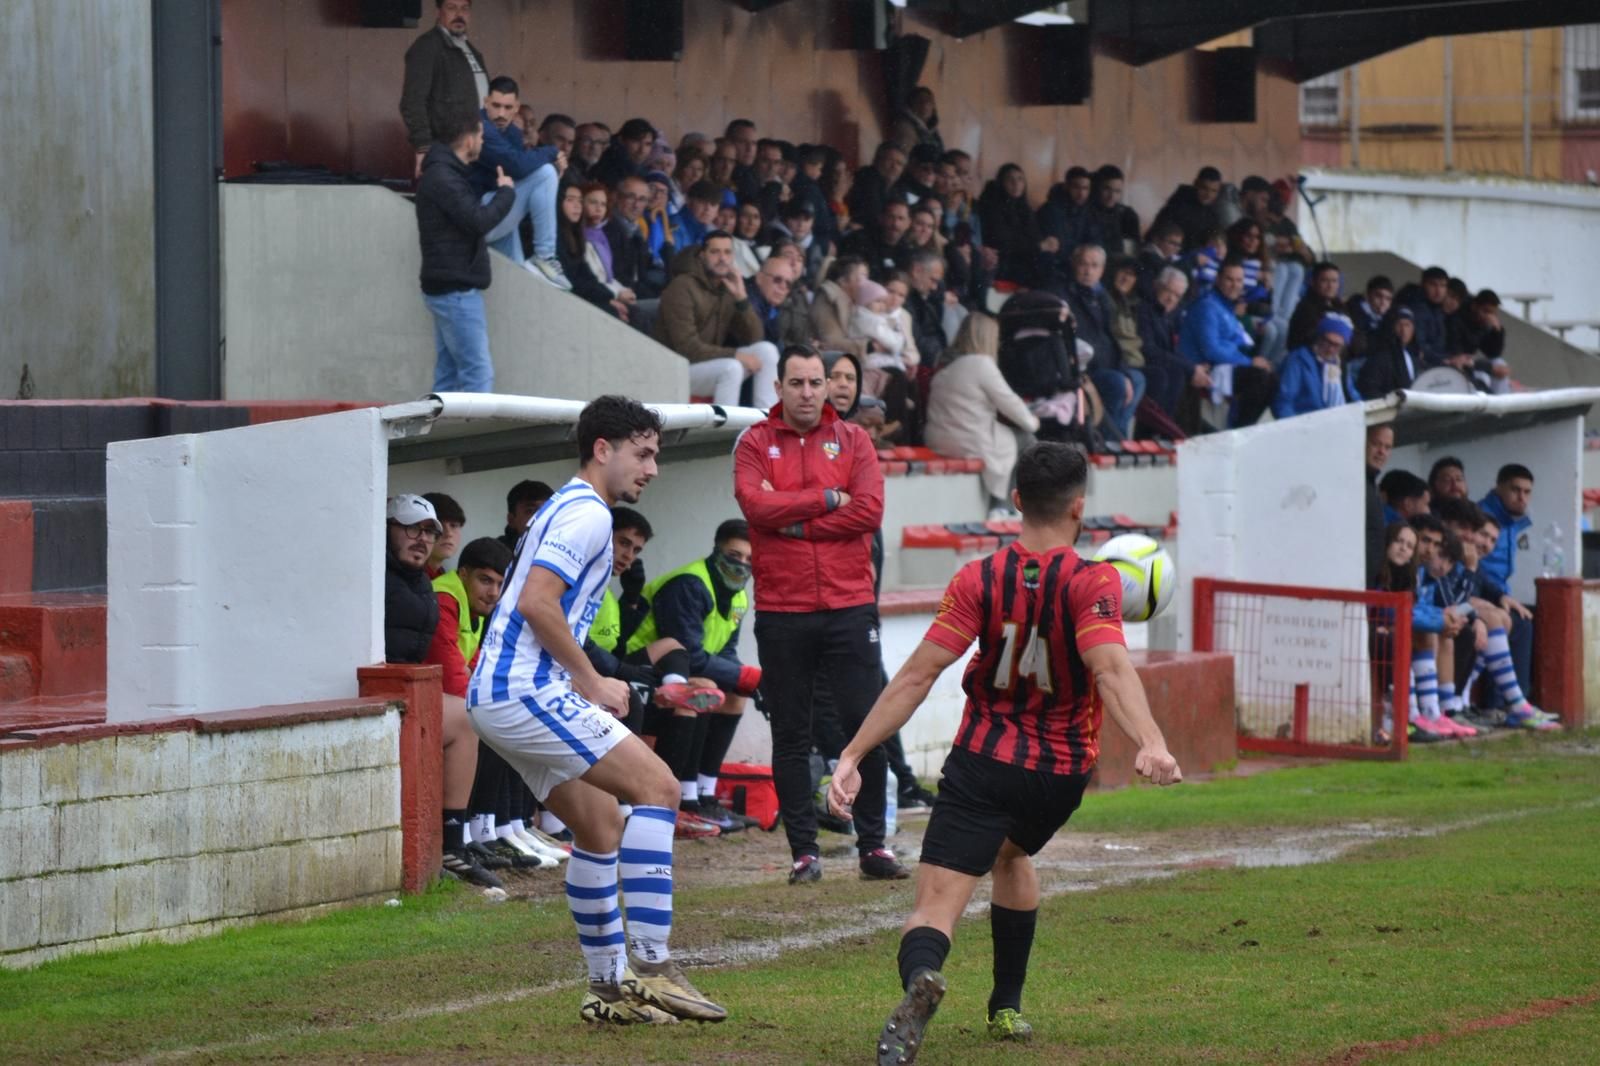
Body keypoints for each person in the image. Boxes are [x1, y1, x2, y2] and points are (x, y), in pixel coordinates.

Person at [827, 441, 1182, 1062]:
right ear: (1079, 507)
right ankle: (1007, 1006)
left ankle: (921, 981)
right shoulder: (1093, 581)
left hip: (983, 764)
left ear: (1015, 501)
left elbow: (917, 675)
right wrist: (1151, 742)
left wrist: (854, 753)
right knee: (1012, 856)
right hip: (1059, 773)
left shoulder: (977, 578)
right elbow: (1111, 670)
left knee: (936, 904)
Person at [466, 395, 727, 1026]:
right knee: (660, 788)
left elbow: (538, 604)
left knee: (602, 827)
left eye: (657, 455)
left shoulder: (569, 506)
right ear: (602, 449)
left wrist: (610, 679)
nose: (653, 468)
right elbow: (535, 602)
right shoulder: (588, 515)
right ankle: (655, 966)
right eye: (643, 453)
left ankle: (608, 990)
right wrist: (589, 681)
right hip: (524, 690)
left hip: (500, 695)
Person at [733, 344, 905, 884]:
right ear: (779, 388)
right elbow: (754, 508)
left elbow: (869, 510)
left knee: (867, 727)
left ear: (827, 388)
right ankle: (803, 851)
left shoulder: (853, 440)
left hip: (849, 606)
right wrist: (829, 500)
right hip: (783, 610)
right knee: (791, 732)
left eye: (816, 383)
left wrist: (794, 518)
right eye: (798, 383)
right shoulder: (755, 442)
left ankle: (873, 847)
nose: (808, 393)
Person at [384, 495, 497, 888]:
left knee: (487, 715)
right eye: (411, 528)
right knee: (471, 719)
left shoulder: (419, 581)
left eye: (429, 531)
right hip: (378, 693)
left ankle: (473, 835)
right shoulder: (380, 575)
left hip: (409, 693)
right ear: (387, 528)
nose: (422, 538)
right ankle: (456, 841)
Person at [624, 520, 764, 832]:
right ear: (716, 550)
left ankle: (705, 794)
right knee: (705, 687)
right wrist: (752, 676)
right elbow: (690, 653)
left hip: (684, 673)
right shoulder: (689, 583)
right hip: (642, 668)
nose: (741, 565)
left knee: (735, 696)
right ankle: (683, 801)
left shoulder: (738, 594)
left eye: (749, 560)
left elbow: (725, 652)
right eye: (734, 554)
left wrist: (749, 683)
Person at [415, 107, 513, 394]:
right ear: (469, 140)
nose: (483, 142)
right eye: (481, 135)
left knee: (448, 377)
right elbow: (477, 220)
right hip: (455, 291)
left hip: (448, 288)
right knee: (477, 374)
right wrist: (506, 192)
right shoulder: (444, 178)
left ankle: (436, 436)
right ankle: (472, 437)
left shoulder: (442, 174)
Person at [925, 313, 1041, 520]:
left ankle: (1002, 504)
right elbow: (1010, 403)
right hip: (968, 439)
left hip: (938, 440)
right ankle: (1003, 504)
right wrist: (1032, 421)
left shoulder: (945, 366)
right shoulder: (981, 363)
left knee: (1009, 438)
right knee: (1027, 439)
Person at [654, 231, 781, 408]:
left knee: (767, 350)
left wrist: (741, 298)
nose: (722, 258)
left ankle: (767, 426)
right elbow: (687, 348)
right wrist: (735, 355)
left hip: (708, 365)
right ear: (702, 255)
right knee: (732, 368)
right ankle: (724, 433)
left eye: (727, 252)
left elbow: (755, 337)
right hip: (676, 370)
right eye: (715, 252)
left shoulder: (727, 288)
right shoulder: (682, 286)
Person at [470, 77, 571, 289]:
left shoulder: (513, 133)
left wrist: (551, 161)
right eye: (496, 105)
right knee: (545, 172)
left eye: (508, 107)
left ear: (516, 108)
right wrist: (552, 152)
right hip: (474, 215)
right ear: (486, 102)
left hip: (497, 210)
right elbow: (516, 165)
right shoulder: (481, 127)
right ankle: (544, 255)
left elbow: (520, 168)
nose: (501, 114)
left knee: (517, 286)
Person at [1177, 257, 1277, 429]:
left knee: (1271, 377)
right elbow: (1211, 350)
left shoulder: (1226, 306)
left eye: (1239, 280)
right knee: (1259, 378)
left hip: (1222, 365)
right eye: (1229, 279)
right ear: (1218, 280)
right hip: (1205, 366)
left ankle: (1246, 427)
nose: (1235, 285)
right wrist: (1249, 362)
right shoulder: (1207, 306)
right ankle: (1240, 429)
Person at [400, 0, 488, 181]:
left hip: (476, 146)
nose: (459, 14)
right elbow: (412, 101)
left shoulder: (470, 49)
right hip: (449, 147)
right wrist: (423, 147)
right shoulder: (427, 46)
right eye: (451, 8)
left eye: (464, 8)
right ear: (439, 11)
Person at [1065, 245, 1144, 441]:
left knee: (1137, 379)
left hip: (1105, 366)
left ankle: (1117, 436)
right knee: (1117, 383)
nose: (1088, 271)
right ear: (1074, 265)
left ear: (1102, 270)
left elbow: (1112, 341)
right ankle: (1112, 440)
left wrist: (1123, 371)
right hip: (1084, 370)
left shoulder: (1102, 298)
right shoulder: (1064, 294)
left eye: (1094, 266)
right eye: (1083, 264)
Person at [1477, 464, 1537, 704]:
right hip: (1478, 590)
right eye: (1515, 489)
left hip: (1496, 591)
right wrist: (1500, 594)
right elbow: (1476, 565)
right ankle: (1508, 703)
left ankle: (1513, 701)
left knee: (1528, 616)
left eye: (1527, 492)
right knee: (1518, 623)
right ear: (1498, 488)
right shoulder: (1484, 517)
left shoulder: (1513, 521)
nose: (1522, 497)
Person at [1271, 313, 1357, 420]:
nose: (1330, 349)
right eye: (1328, 342)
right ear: (1319, 337)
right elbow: (1283, 401)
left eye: (1337, 345)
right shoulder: (1298, 360)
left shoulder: (1340, 365)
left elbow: (1352, 395)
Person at [976, 164, 1050, 288]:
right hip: (1003, 262)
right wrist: (1038, 247)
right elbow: (1004, 243)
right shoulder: (992, 206)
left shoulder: (1025, 208)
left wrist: (1045, 244)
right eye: (1010, 179)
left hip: (1022, 260)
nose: (1016, 183)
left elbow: (1035, 236)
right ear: (1001, 183)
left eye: (1020, 179)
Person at [1149, 166, 1222, 253]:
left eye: (1214, 191)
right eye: (1204, 188)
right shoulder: (1178, 205)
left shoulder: (1212, 212)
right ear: (1196, 184)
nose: (1208, 195)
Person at [1354, 307, 1419, 399]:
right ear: (1391, 327)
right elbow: (1369, 388)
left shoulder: (1414, 356)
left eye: (1407, 325)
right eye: (1399, 324)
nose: (1403, 330)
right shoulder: (1379, 356)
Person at [846, 143, 909, 237]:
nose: (894, 167)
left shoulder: (899, 187)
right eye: (890, 160)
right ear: (877, 160)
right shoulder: (866, 178)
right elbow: (872, 216)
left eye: (899, 164)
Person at [1288, 261, 1343, 350]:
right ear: (1313, 282)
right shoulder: (1305, 308)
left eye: (1334, 281)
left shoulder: (1340, 306)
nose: (1330, 286)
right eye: (1325, 280)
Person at [1364, 424, 1394, 587]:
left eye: (1387, 447)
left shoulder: (1371, 485)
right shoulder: (1355, 484)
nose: (1382, 452)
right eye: (1376, 444)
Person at [1090, 165, 1141, 258]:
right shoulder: (1086, 212)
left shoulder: (1127, 215)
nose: (1112, 196)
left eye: (1117, 191)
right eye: (1107, 189)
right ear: (1096, 187)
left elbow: (1134, 250)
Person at [499, 479, 553, 551]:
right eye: (531, 511)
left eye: (548, 510)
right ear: (511, 520)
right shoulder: (494, 555)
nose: (543, 517)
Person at [421, 491, 466, 578]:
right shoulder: (409, 577)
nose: (448, 533)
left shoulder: (442, 575)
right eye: (439, 525)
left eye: (453, 525)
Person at [890, 87, 944, 157]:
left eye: (929, 101)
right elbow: (904, 156)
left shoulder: (934, 133)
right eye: (920, 101)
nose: (925, 105)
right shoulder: (905, 127)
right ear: (911, 105)